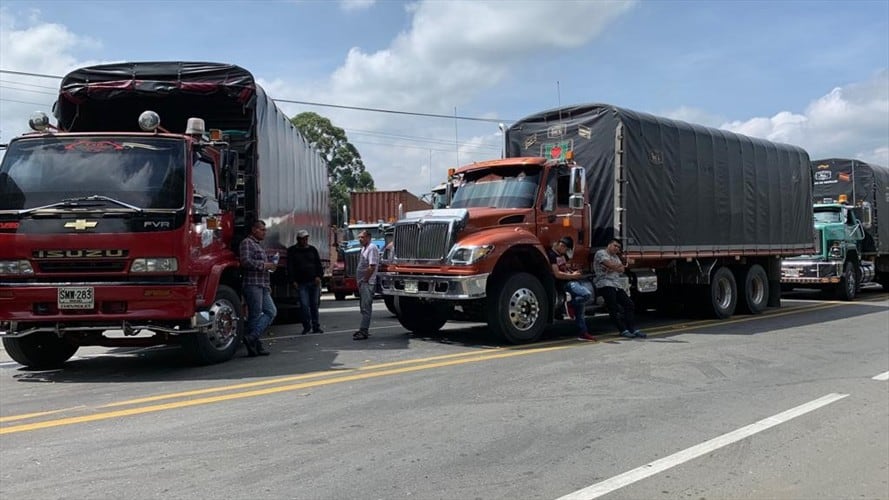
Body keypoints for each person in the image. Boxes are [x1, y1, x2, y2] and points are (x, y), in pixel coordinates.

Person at [593, 238, 645, 339]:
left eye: (618, 247)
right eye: (615, 245)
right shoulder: (601, 253)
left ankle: (632, 328)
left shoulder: (616, 257)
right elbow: (610, 265)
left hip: (616, 284)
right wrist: (617, 265)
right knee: (613, 308)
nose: (616, 248)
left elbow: (621, 269)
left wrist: (614, 267)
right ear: (609, 245)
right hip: (605, 283)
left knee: (629, 304)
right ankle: (623, 330)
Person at [238, 219, 276, 356]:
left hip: (262, 284)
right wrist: (264, 265)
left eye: (265, 230)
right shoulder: (247, 243)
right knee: (255, 314)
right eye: (262, 230)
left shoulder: (258, 245)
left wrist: (268, 284)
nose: (264, 232)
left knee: (270, 311)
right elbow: (245, 261)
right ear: (254, 229)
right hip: (252, 284)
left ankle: (252, 337)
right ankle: (255, 345)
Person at [548, 236, 595, 341]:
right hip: (565, 283)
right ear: (561, 245)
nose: (565, 251)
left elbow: (565, 267)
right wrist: (572, 276)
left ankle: (583, 333)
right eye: (564, 248)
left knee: (580, 310)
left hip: (570, 279)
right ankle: (570, 304)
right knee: (586, 294)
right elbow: (557, 274)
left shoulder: (562, 255)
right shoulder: (552, 255)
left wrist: (573, 271)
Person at [287, 229, 324, 334]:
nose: (305, 241)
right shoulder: (292, 251)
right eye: (303, 239)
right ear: (298, 239)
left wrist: (319, 277)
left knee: (314, 305)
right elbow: (290, 267)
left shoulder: (312, 250)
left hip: (314, 282)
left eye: (306, 238)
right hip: (301, 283)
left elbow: (318, 265)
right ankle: (306, 326)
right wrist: (292, 280)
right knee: (304, 305)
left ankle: (316, 326)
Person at [353, 229, 379, 340]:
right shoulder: (364, 248)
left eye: (362, 237)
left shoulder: (371, 248)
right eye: (359, 237)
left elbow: (371, 266)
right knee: (363, 308)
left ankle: (364, 331)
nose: (360, 239)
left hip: (368, 283)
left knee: (366, 308)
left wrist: (365, 279)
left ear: (368, 237)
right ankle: (363, 329)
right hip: (363, 283)